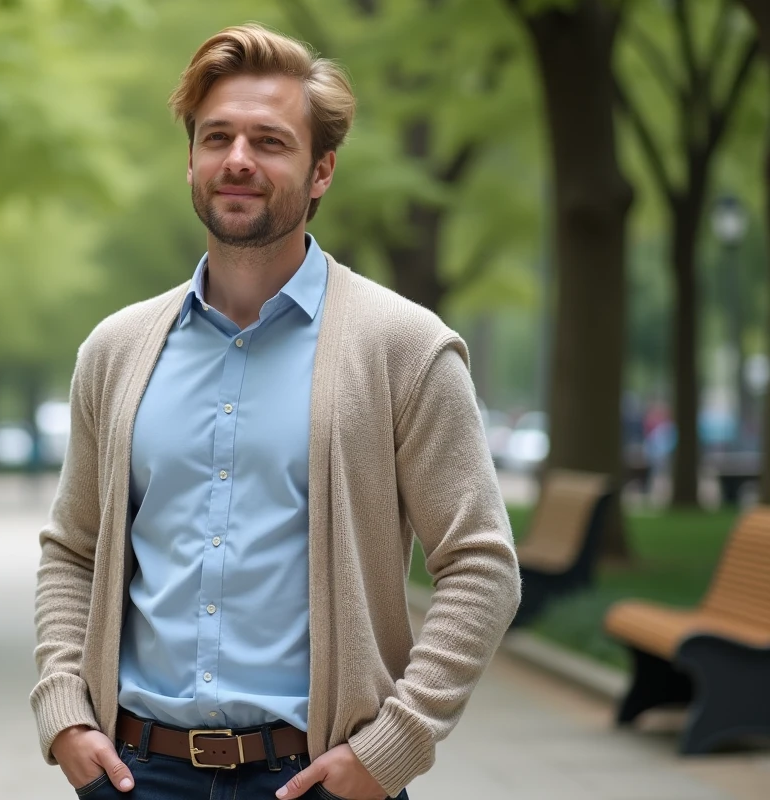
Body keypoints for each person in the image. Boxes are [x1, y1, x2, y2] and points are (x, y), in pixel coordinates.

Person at [31, 24, 521, 800]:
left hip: (320, 778)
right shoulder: (116, 351)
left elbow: (482, 565)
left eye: (270, 141)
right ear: (189, 160)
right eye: (216, 137)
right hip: (135, 773)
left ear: (321, 170)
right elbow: (74, 549)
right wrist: (64, 714)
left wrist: (394, 746)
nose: (237, 160)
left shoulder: (404, 346)